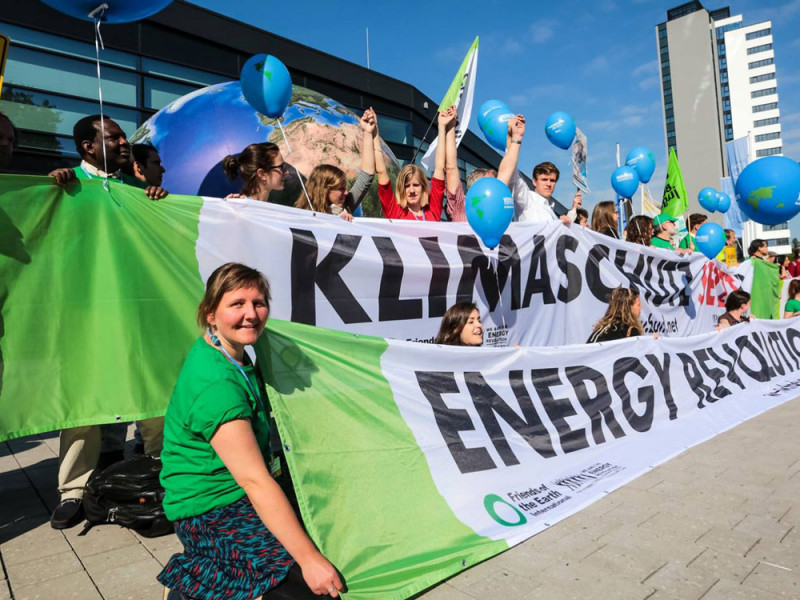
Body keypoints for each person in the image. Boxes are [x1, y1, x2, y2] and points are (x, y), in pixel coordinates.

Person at [158, 263, 342, 600]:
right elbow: (254, 480)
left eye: (259, 302)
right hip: (209, 508)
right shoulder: (215, 385)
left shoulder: (228, 352)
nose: (251, 314)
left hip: (235, 488)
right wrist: (310, 560)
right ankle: (196, 583)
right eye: (237, 304)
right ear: (210, 313)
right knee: (300, 578)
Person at [48, 115, 168, 200]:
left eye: (124, 137)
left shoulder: (141, 188)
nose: (124, 142)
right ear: (89, 147)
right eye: (114, 138)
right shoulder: (64, 181)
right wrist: (49, 186)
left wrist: (160, 199)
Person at [294, 108, 376, 221]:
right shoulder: (302, 218)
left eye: (345, 188)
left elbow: (366, 176)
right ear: (324, 190)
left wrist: (367, 132)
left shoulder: (346, 206)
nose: (346, 193)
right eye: (341, 188)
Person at [376, 107, 447, 221]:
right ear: (400, 189)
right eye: (406, 186)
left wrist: (442, 127)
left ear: (423, 187)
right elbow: (381, 172)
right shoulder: (395, 213)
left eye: (416, 185)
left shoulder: (432, 211)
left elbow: (439, 167)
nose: (412, 191)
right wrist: (374, 134)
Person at [222, 142, 287, 202]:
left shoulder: (264, 205)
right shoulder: (242, 210)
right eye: (281, 167)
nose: (287, 172)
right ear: (262, 174)